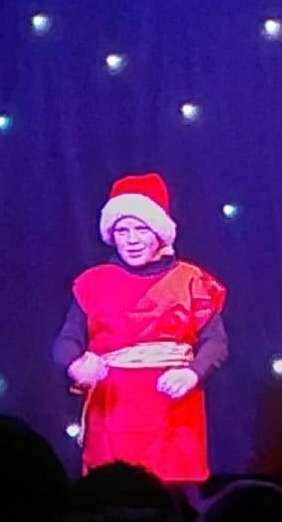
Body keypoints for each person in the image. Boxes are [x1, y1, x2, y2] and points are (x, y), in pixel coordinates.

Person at [53, 173, 228, 484]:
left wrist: (193, 373)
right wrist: (75, 365)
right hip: (113, 412)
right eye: (122, 231)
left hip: (172, 413)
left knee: (171, 494)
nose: (131, 240)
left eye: (141, 229)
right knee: (113, 491)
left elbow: (216, 342)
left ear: (159, 233)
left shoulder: (190, 280)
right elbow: (67, 339)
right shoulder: (94, 283)